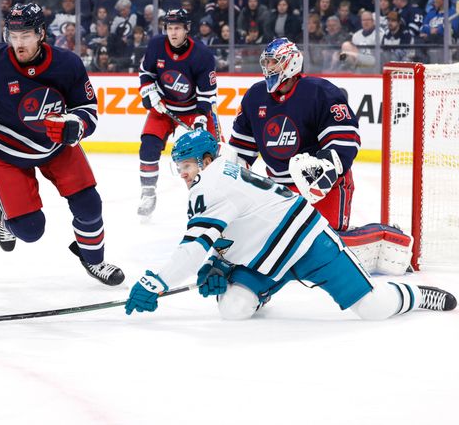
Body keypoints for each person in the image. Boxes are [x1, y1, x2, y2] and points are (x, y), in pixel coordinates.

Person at [124, 129, 457, 319]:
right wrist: (218, 264)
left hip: (307, 243)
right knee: (234, 309)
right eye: (178, 166)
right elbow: (233, 226)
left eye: (187, 165)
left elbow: (192, 248)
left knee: (374, 308)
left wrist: (157, 282)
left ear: (206, 161)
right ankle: (265, 290)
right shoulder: (218, 174)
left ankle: (413, 295)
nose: (182, 173)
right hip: (265, 257)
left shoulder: (210, 186)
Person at [0, 2, 124, 286]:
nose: (18, 43)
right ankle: (7, 213)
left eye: (26, 36)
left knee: (90, 206)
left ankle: (94, 260)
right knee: (31, 231)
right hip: (7, 154)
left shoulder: (67, 64)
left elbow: (87, 109)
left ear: (41, 33)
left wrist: (74, 125)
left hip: (56, 148)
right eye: (13, 36)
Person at [228, 38, 415, 274]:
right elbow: (241, 148)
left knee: (324, 247)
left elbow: (345, 139)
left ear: (292, 63)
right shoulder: (255, 97)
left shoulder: (320, 92)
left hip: (325, 186)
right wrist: (230, 175)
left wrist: (324, 168)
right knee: (271, 244)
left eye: (275, 62)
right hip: (279, 189)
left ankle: (388, 237)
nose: (269, 68)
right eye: (267, 63)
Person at [136, 8, 217, 218]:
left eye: (178, 28)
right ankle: (148, 193)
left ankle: (211, 195)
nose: (173, 33)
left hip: (193, 109)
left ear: (187, 29)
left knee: (210, 153)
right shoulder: (156, 45)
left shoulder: (202, 55)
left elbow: (207, 95)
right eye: (170, 28)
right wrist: (149, 91)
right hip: (165, 106)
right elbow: (146, 73)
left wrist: (200, 119)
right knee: (148, 146)